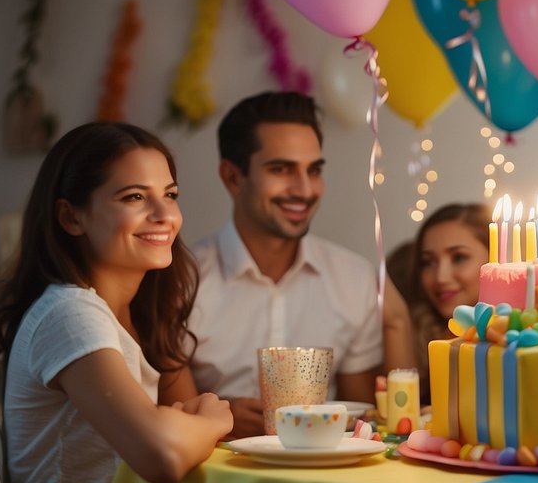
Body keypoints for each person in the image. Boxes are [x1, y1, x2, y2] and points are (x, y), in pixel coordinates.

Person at [0, 122, 310, 483]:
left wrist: (189, 420)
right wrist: (217, 415)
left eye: (170, 195)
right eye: (135, 197)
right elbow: (162, 455)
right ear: (71, 216)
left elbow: (168, 431)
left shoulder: (120, 317)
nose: (165, 216)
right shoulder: (72, 313)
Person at [169, 91, 412, 438]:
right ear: (233, 177)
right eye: (281, 169)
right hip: (209, 480)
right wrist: (217, 421)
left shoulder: (353, 279)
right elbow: (162, 419)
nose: (304, 189)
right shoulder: (181, 280)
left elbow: (359, 423)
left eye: (313, 170)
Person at [406, 202, 491, 400]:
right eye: (428, 262)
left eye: (459, 257)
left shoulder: (521, 335)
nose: (440, 278)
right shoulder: (416, 337)